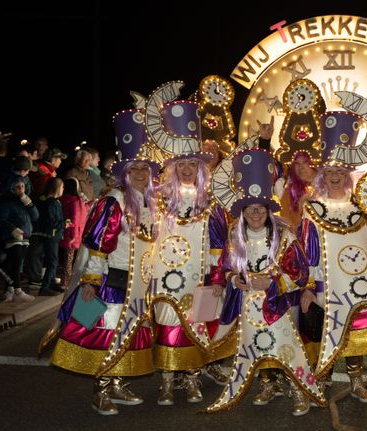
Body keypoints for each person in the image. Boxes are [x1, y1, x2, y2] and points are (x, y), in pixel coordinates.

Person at [47, 108, 161, 415]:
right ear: (124, 173)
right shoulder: (114, 202)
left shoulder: (152, 204)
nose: (140, 175)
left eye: (145, 170)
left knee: (129, 332)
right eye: (135, 170)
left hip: (139, 283)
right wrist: (91, 281)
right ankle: (101, 391)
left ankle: (116, 384)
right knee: (106, 333)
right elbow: (97, 244)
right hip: (113, 280)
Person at [298, 110, 367, 406]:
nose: (335, 176)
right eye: (330, 171)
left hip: (359, 283)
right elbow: (308, 251)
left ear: (348, 176)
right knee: (324, 331)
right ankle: (322, 379)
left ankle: (357, 381)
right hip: (327, 283)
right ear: (322, 175)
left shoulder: (363, 208)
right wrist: (308, 286)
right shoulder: (312, 209)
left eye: (341, 172)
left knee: (353, 332)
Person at [206, 148, 324, 416]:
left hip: (280, 304)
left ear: (268, 210)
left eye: (260, 209)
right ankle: (268, 384)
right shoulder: (234, 239)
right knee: (256, 345)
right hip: (248, 305)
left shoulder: (285, 237)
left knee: (287, 347)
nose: (255, 214)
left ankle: (298, 390)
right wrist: (235, 279)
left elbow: (301, 275)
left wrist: (272, 283)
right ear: (243, 211)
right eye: (250, 209)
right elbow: (225, 269)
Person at [149, 97, 232, 406]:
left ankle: (193, 378)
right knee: (169, 325)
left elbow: (218, 244)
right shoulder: (159, 200)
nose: (185, 169)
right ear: (173, 167)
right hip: (166, 275)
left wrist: (215, 277)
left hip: (199, 276)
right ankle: (168, 382)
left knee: (198, 325)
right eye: (180, 164)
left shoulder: (210, 202)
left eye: (190, 164)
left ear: (200, 168)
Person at [0, 179, 37, 303]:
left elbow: (35, 216)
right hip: (13, 236)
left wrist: (27, 202)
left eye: (23, 186)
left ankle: (10, 289)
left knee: (18, 263)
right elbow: (1, 219)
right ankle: (17, 290)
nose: (21, 189)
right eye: (17, 186)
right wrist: (12, 229)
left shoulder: (25, 200)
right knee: (15, 262)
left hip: (25, 236)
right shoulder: (7, 202)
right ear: (12, 188)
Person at [37, 177, 66, 296]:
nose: (63, 189)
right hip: (51, 236)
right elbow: (52, 221)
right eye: (62, 187)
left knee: (54, 260)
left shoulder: (54, 202)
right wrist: (64, 223)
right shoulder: (51, 203)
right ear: (56, 188)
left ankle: (52, 283)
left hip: (55, 236)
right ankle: (45, 286)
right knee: (52, 261)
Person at [58, 178, 86, 290]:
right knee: (69, 261)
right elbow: (76, 219)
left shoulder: (62, 199)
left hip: (62, 232)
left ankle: (64, 281)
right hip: (71, 235)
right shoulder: (76, 201)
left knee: (64, 260)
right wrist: (74, 236)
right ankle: (66, 282)